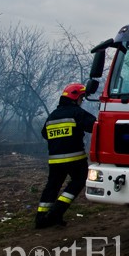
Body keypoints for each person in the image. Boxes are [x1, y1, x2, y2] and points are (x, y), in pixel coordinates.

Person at [35, 83, 96, 229]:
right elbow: (95, 125)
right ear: (75, 97)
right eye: (82, 98)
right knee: (78, 181)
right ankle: (57, 212)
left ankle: (41, 218)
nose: (82, 101)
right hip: (75, 159)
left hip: (55, 160)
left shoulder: (52, 116)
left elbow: (45, 134)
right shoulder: (77, 113)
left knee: (52, 186)